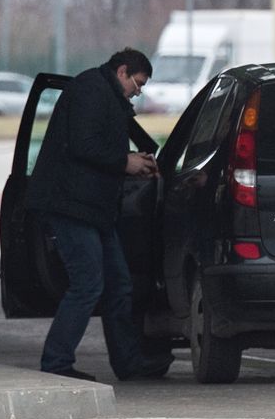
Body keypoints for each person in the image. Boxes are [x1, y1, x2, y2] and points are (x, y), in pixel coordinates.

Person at [25, 47, 174, 382]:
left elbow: (104, 142)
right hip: (71, 206)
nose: (138, 92)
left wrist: (138, 160)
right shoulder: (90, 90)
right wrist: (126, 161)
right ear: (122, 72)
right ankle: (56, 362)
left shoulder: (107, 95)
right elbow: (84, 144)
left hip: (95, 209)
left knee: (118, 285)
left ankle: (128, 362)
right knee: (88, 284)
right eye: (137, 84)